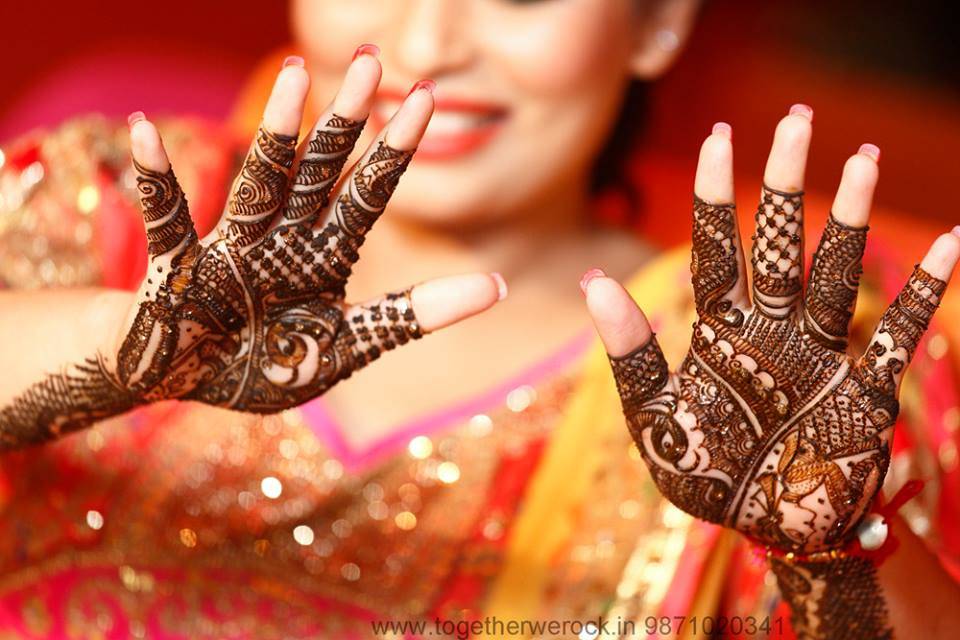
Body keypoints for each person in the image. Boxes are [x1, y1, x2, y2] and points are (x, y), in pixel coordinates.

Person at [1, 1, 959, 638]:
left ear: (657, 22)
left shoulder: (790, 371)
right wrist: (112, 351)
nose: (428, 45)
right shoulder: (118, 205)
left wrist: (826, 547)